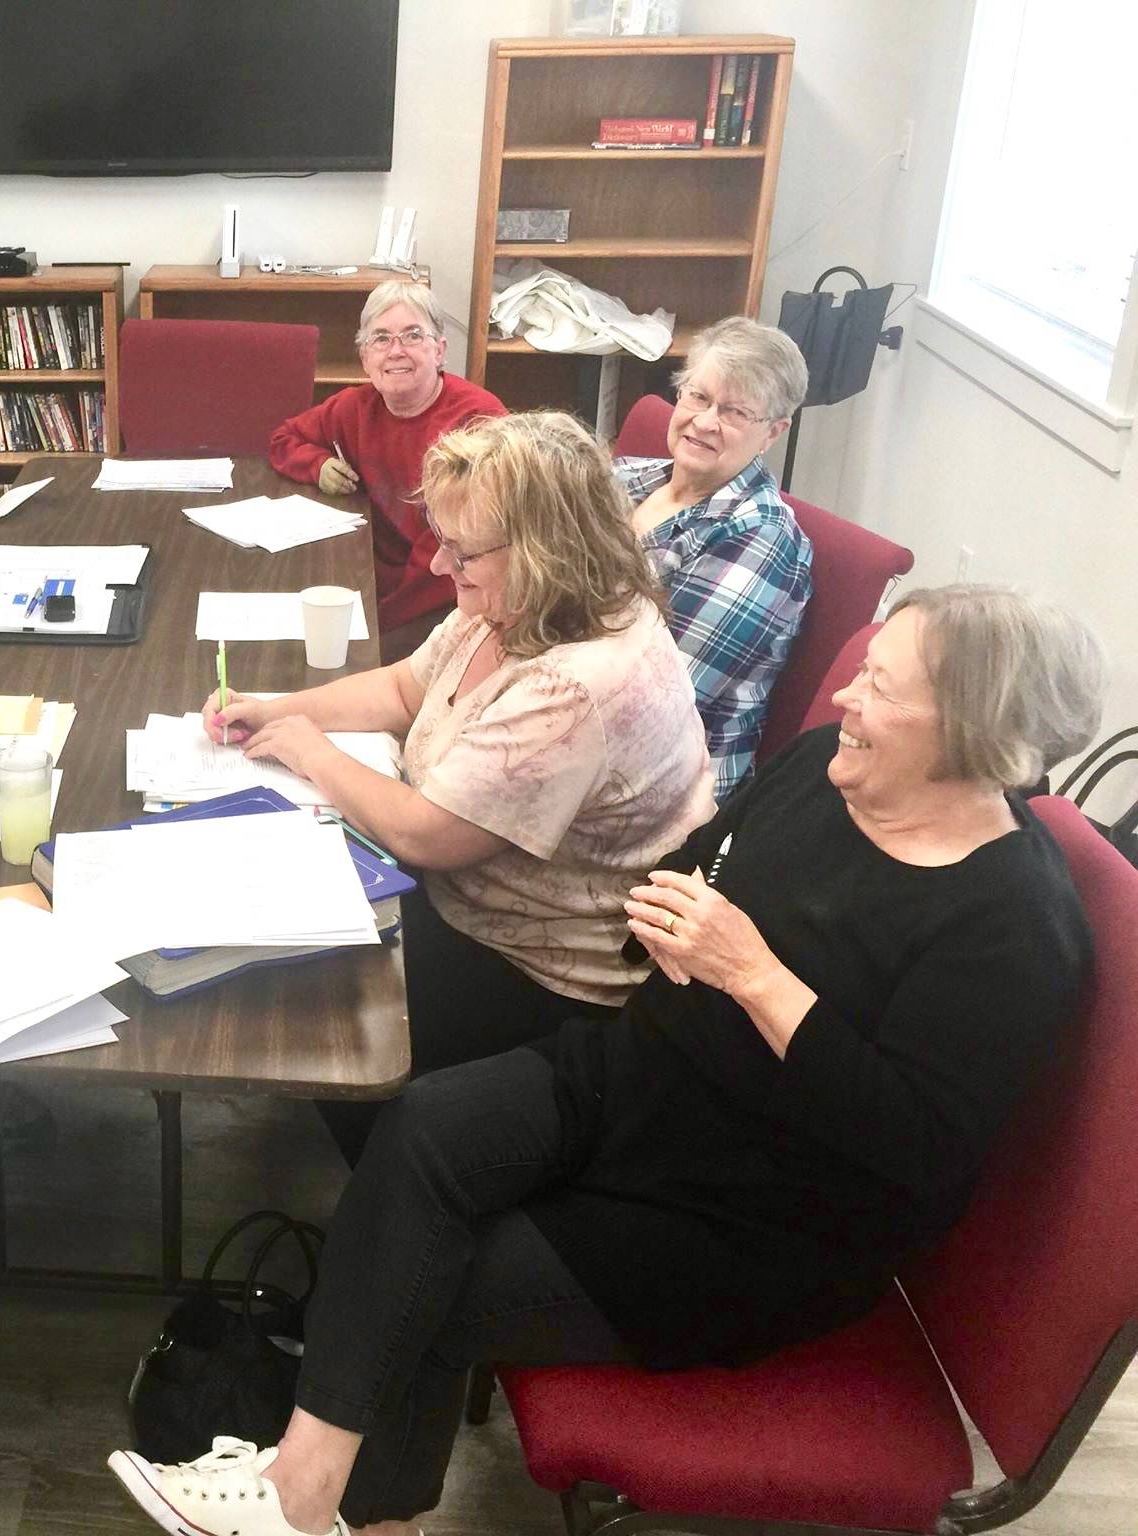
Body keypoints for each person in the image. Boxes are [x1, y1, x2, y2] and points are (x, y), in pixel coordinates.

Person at [113, 584, 1102, 1536]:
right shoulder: (822, 767)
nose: (845, 694)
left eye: (881, 687)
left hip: (750, 1217)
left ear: (968, 730)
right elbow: (706, 855)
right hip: (640, 1083)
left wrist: (754, 976)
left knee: (430, 1289)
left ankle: (354, 1514)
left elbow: (913, 1149)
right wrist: (661, 916)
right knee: (418, 1128)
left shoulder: (1009, 923)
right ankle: (305, 1489)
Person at [214, 412, 714, 1161]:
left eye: (463, 549)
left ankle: (386, 1181)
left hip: (541, 975)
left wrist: (311, 751)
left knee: (306, 998)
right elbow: (405, 688)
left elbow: (426, 834)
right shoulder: (519, 602)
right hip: (468, 904)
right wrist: (278, 709)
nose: (442, 566)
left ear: (546, 548)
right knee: (278, 928)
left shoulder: (576, 684)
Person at [614, 315, 814, 801]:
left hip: (657, 791)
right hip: (556, 718)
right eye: (698, 397)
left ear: (773, 433)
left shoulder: (761, 539)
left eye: (735, 412)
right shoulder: (629, 479)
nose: (704, 421)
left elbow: (655, 704)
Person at [268, 280, 506, 658]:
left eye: (412, 336)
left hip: (449, 599)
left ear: (440, 350)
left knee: (331, 664)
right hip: (369, 575)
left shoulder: (478, 421)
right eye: (381, 339)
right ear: (365, 358)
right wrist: (318, 464)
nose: (396, 351)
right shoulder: (354, 407)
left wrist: (371, 627)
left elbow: (448, 559)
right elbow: (284, 439)